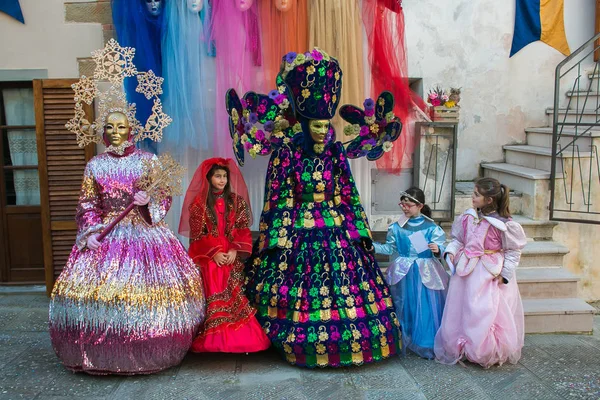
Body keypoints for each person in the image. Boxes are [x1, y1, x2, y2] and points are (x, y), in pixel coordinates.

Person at [237, 49, 402, 368]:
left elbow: (348, 193)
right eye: (315, 124)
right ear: (304, 123)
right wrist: (277, 237)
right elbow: (278, 197)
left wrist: (359, 231)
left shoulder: (336, 153)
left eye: (325, 125)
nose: (321, 131)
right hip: (298, 229)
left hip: (335, 227)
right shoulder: (286, 153)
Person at [49, 110, 206, 375]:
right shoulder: (95, 165)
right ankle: (102, 353)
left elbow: (163, 196)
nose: (115, 132)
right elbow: (88, 204)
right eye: (109, 127)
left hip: (146, 234)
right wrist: (91, 232)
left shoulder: (148, 161)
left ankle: (151, 348)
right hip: (106, 236)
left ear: (131, 130)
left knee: (150, 295)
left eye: (120, 126)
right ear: (103, 131)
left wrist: (149, 202)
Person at [179, 158, 270, 353]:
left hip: (230, 252)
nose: (222, 180)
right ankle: (215, 338)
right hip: (209, 254)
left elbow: (242, 228)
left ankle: (240, 338)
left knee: (234, 285)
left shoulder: (237, 202)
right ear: (209, 178)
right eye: (217, 176)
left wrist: (234, 249)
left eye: (224, 176)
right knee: (214, 275)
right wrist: (214, 253)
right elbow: (197, 235)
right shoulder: (198, 205)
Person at [434, 177, 527, 368]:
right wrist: (451, 251)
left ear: (489, 200)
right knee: (463, 308)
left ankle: (485, 350)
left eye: (477, 194)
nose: (472, 197)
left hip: (488, 273)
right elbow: (459, 240)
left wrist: (506, 274)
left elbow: (512, 251)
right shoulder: (468, 217)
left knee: (484, 310)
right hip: (466, 271)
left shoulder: (504, 224)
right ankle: (463, 346)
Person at [373, 187, 447, 359]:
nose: (404, 208)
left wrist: (438, 249)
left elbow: (442, 247)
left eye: (408, 205)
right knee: (405, 304)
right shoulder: (397, 228)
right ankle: (404, 338)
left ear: (420, 205)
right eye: (402, 204)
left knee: (425, 306)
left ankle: (426, 342)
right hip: (404, 272)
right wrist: (373, 246)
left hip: (425, 271)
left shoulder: (431, 227)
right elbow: (390, 248)